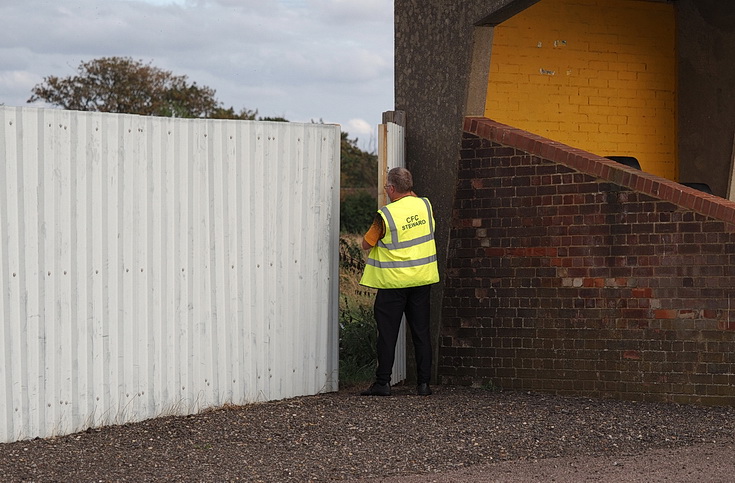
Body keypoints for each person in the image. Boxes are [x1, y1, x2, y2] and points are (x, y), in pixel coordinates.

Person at [359, 167, 440, 396]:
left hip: (393, 284)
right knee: (421, 333)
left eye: (386, 187)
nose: (386, 190)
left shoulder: (385, 215)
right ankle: (424, 385)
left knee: (387, 334)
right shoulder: (425, 205)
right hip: (421, 280)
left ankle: (383, 383)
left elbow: (367, 243)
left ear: (392, 189)